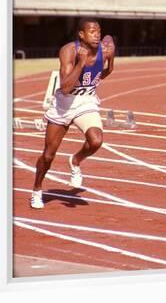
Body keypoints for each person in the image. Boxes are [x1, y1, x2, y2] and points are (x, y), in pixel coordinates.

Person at [30, 19, 115, 209]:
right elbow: (66, 88)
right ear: (81, 35)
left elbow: (109, 69)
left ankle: (75, 161)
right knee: (48, 155)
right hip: (64, 105)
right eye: (92, 31)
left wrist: (92, 82)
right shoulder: (68, 51)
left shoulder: (106, 50)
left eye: (99, 31)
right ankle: (37, 190)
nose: (97, 35)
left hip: (85, 102)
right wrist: (81, 63)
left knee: (96, 140)